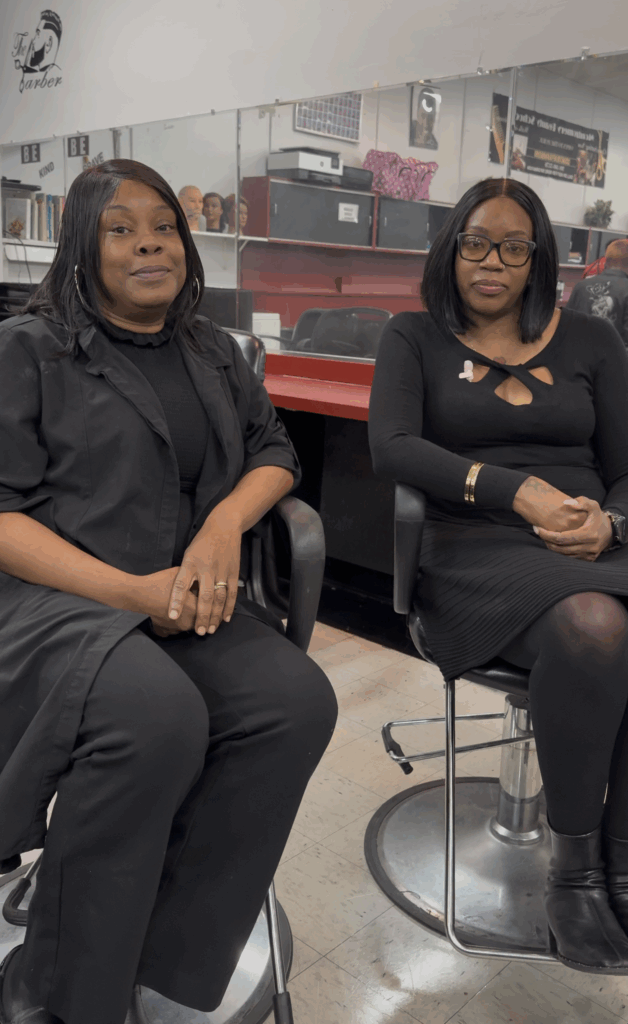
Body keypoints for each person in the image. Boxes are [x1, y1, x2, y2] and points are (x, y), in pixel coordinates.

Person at [0, 158, 337, 1024]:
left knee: (296, 701)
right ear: (82, 245)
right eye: (120, 227)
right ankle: (58, 991)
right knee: (156, 717)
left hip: (182, 600)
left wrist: (223, 523)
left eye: (163, 225)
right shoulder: (28, 350)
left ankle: (157, 956)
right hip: (57, 603)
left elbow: (275, 451)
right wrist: (128, 591)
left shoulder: (213, 352)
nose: (150, 239)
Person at [369, 176, 628, 976]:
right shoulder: (411, 337)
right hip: (471, 544)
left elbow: (624, 470)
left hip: (589, 543)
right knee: (596, 627)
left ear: (539, 259)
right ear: (451, 250)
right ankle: (577, 874)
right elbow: (395, 448)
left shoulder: (594, 341)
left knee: (606, 615)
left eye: (515, 247)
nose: (493, 262)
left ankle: (623, 860)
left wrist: (609, 522)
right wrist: (519, 491)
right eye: (475, 242)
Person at [567, 239, 628, 348]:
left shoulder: (581, 287)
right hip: (615, 361)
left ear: (606, 260)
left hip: (578, 358)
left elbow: (566, 326)